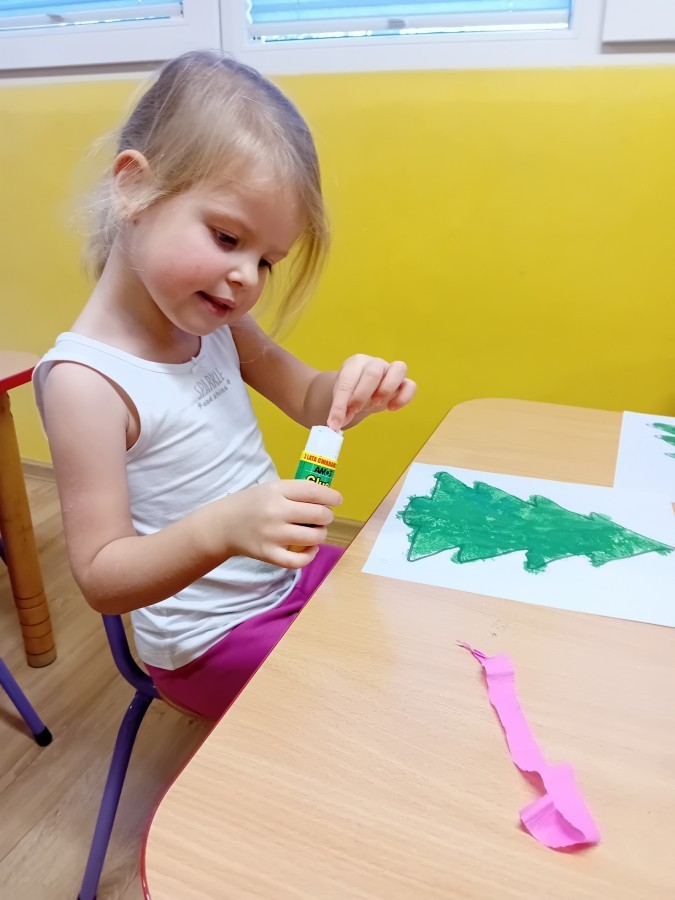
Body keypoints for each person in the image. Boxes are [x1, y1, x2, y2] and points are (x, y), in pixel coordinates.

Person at [33, 50, 416, 720]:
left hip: (285, 580)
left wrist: (353, 389)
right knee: (369, 709)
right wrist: (222, 529)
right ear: (133, 188)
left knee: (407, 616)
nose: (246, 278)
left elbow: (308, 398)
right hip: (210, 642)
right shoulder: (86, 384)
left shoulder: (219, 326)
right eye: (226, 237)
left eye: (266, 261)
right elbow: (101, 578)